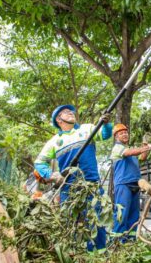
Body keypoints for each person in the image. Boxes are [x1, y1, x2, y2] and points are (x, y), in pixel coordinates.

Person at [33, 104, 112, 251]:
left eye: (71, 111)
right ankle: (77, 254)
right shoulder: (54, 142)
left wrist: (106, 124)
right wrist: (52, 175)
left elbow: (105, 134)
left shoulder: (86, 129)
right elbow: (39, 162)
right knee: (71, 223)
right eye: (65, 112)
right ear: (59, 119)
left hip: (91, 184)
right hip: (68, 188)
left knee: (97, 220)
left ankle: (99, 254)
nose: (70, 112)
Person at [110, 124, 151, 241]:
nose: (124, 134)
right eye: (121, 133)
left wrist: (145, 148)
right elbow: (129, 153)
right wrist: (147, 147)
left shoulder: (130, 149)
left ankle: (131, 241)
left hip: (134, 185)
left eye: (126, 132)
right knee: (122, 214)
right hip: (123, 185)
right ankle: (117, 242)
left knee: (134, 215)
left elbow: (142, 157)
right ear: (116, 137)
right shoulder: (117, 148)